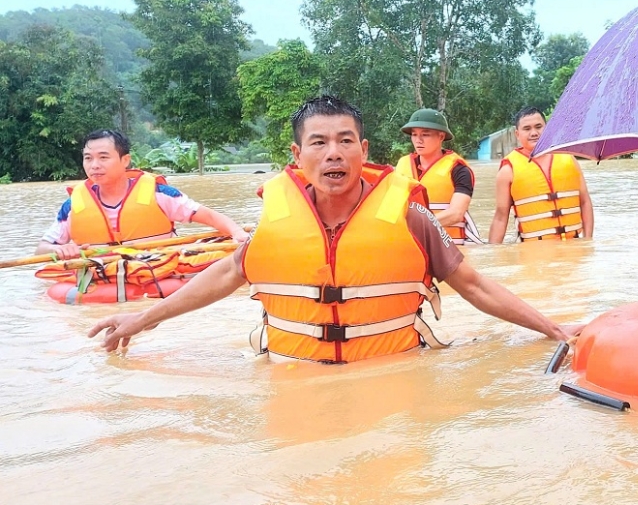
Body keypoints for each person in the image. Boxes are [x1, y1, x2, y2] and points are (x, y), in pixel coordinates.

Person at [88, 96, 570, 362]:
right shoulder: (276, 223)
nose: (333, 153)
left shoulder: (410, 216)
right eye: (318, 143)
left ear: (364, 150)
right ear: (297, 158)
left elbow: (476, 285)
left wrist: (553, 329)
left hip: (394, 378)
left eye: (345, 141)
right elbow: (219, 278)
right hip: (291, 379)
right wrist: (138, 320)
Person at [36, 128, 249, 261]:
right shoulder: (73, 205)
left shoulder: (159, 193)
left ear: (125, 160)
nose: (94, 166)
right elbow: (42, 249)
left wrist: (237, 232)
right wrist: (62, 250)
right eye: (88, 158)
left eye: (103, 157)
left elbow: (208, 216)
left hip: (158, 266)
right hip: (101, 273)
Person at [488, 107, 594, 243]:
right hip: (534, 252)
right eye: (527, 129)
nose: (534, 133)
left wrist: (588, 241)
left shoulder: (568, 158)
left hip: (574, 246)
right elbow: (500, 217)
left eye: (538, 127)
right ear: (517, 134)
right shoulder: (508, 170)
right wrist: (493, 253)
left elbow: (585, 202)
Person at [395, 108, 482, 243]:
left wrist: (419, 226)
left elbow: (456, 214)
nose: (418, 140)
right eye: (414, 134)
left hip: (452, 247)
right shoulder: (402, 165)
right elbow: (390, 209)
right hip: (412, 246)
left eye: (425, 134)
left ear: (441, 136)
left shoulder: (459, 169)